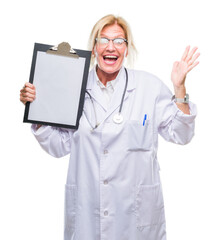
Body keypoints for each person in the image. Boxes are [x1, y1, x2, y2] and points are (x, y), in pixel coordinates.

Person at [20, 14, 199, 240]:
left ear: (127, 48)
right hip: (88, 214)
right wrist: (37, 110)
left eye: (119, 41)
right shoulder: (73, 86)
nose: (110, 47)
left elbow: (181, 134)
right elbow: (58, 146)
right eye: (103, 40)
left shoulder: (148, 87)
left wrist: (179, 88)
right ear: (94, 48)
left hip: (135, 219)